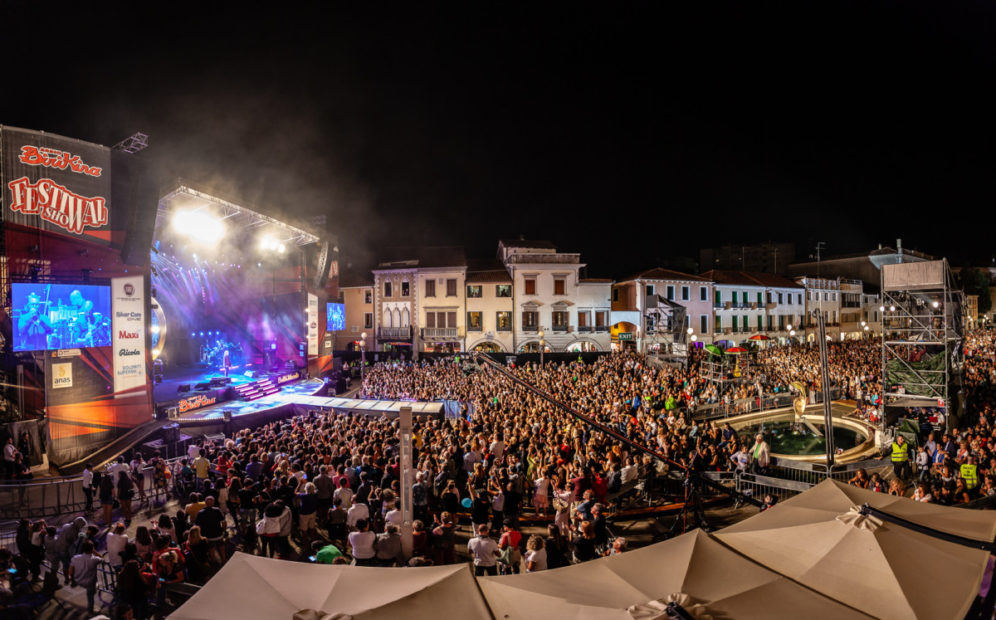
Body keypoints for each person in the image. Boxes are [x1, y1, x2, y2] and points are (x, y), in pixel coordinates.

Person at [68, 540, 102, 615]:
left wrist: (73, 581)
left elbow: (70, 571)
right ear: (92, 548)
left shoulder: (75, 558)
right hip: (90, 583)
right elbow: (102, 558)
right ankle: (90, 610)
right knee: (90, 596)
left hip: (78, 580)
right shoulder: (95, 559)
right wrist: (94, 551)